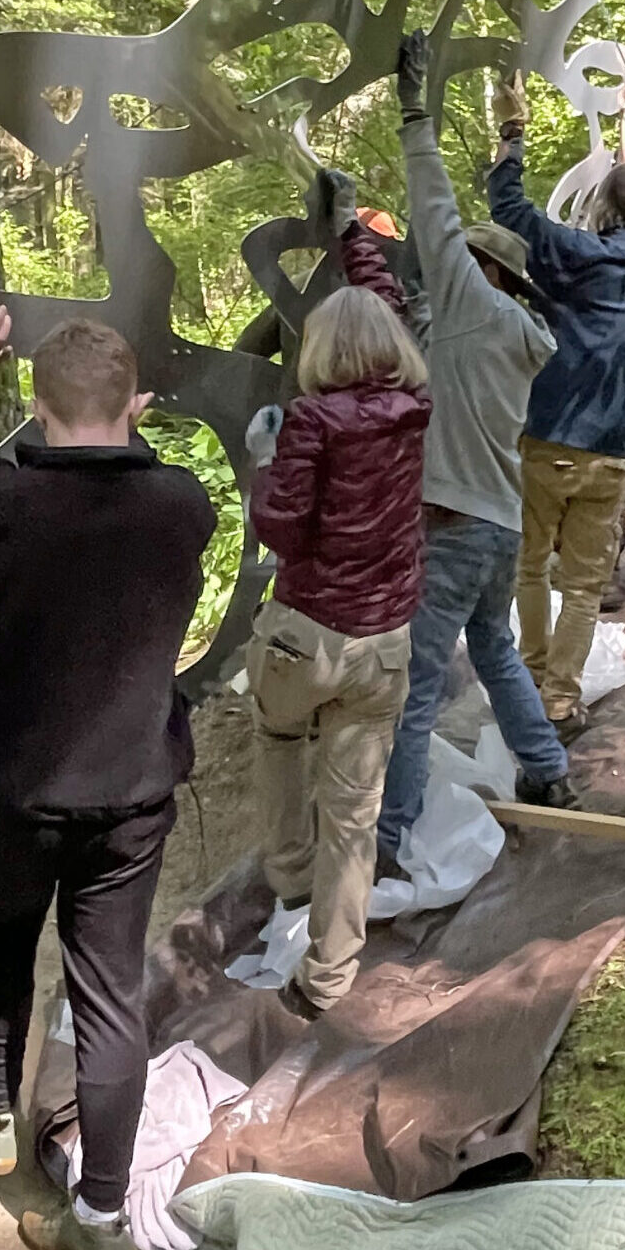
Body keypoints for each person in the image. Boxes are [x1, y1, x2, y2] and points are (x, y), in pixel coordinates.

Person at [0, 306, 217, 1250]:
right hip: (129, 796)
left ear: (36, 408)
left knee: (0, 935)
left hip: (11, 787)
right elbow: (137, 474)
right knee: (110, 994)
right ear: (133, 408)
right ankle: (104, 1217)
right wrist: (127, 427)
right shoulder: (181, 503)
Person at [353, 33, 572, 875]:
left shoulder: (476, 307)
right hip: (499, 527)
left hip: (451, 530)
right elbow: (419, 332)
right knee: (497, 650)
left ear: (483, 271)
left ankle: (387, 840)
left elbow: (435, 211)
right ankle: (549, 773)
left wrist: (417, 114)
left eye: (463, 261)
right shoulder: (510, 331)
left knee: (411, 691)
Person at [244, 282, 430, 1018]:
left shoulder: (312, 421)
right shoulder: (416, 410)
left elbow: (280, 530)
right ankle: (327, 979)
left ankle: (289, 873)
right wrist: (355, 234)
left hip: (309, 632)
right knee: (355, 816)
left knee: (277, 733)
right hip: (385, 639)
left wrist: (266, 458)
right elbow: (390, 304)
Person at [488, 78, 625, 733]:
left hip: (550, 441)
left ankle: (531, 677)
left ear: (602, 207)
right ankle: (559, 701)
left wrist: (514, 135)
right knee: (584, 588)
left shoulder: (575, 256)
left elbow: (509, 209)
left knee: (531, 566)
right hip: (615, 453)